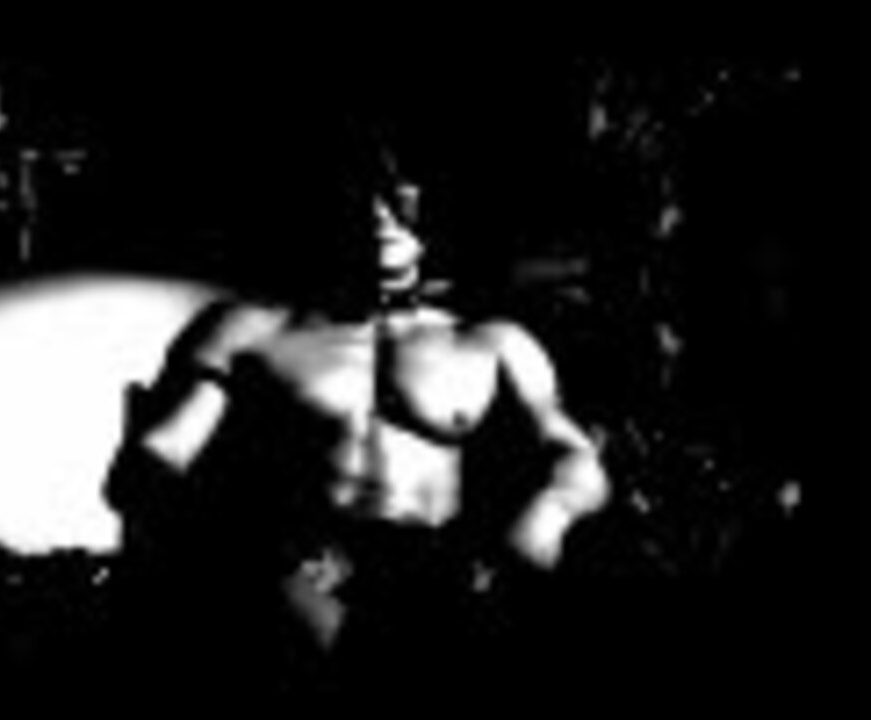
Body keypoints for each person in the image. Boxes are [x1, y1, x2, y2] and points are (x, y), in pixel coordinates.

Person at [103, 136, 610, 700]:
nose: (379, 217)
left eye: (394, 200)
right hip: (298, 575)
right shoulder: (250, 329)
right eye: (361, 201)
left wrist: (544, 518)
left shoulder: (491, 342)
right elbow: (149, 465)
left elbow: (575, 458)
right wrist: (269, 564)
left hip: (439, 583)